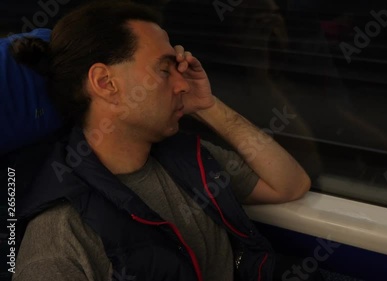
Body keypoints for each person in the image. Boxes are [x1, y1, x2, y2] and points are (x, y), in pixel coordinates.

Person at [10, 1, 311, 280]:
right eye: (165, 70)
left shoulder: (189, 159)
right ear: (106, 84)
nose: (182, 82)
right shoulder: (61, 239)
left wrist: (207, 106)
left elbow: (290, 184)